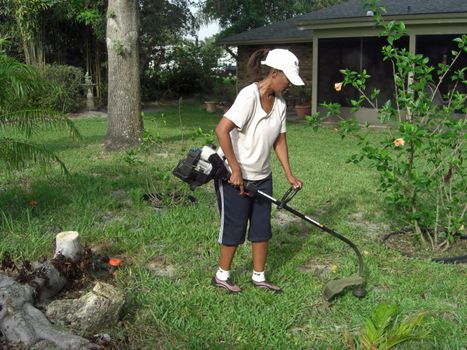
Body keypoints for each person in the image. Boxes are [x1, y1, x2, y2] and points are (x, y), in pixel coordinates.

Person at [212, 48, 304, 293]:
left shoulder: (281, 104)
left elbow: (280, 141)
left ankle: (259, 277)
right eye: (287, 80)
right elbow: (221, 130)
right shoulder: (248, 96)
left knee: (262, 227)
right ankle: (222, 275)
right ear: (274, 74)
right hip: (235, 176)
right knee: (235, 225)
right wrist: (235, 169)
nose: (289, 86)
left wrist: (289, 174)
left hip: (263, 176)